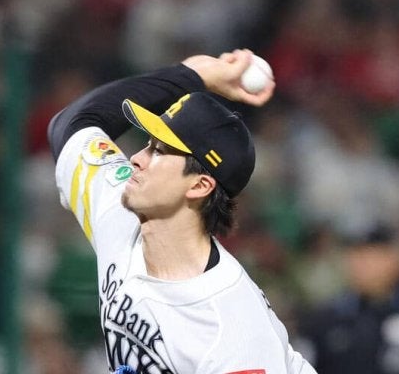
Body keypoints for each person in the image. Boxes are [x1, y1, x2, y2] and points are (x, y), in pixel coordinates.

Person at [47, 49, 315, 373]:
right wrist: (190, 76)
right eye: (147, 144)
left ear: (200, 185)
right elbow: (73, 125)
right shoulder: (120, 211)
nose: (136, 159)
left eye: (159, 151)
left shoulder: (229, 329)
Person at [298, 225, 399, 374]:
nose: (363, 265)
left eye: (372, 256)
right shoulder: (324, 320)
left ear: (397, 260)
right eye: (357, 255)